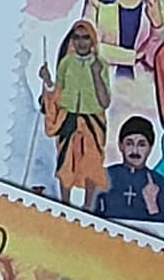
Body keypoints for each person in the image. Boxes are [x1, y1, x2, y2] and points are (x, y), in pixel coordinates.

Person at [38, 16, 112, 206]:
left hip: (93, 120)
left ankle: (88, 206)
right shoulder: (66, 63)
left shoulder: (100, 64)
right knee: (66, 162)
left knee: (91, 161)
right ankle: (65, 203)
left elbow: (105, 101)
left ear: (92, 40)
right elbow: (58, 92)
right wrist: (47, 81)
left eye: (85, 37)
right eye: (77, 37)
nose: (81, 42)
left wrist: (96, 74)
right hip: (68, 118)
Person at [99, 116, 164, 220]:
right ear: (120, 146)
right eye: (129, 144)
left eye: (141, 145)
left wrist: (152, 205)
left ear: (150, 148)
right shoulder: (103, 176)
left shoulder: (160, 183)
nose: (135, 151)